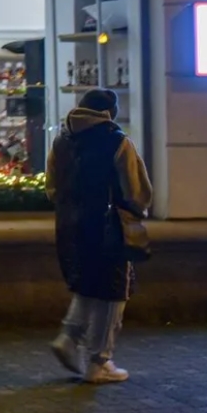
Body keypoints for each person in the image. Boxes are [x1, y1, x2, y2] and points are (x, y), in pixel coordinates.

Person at [45, 88, 152, 385]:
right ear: (110, 112)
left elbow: (52, 187)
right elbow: (138, 190)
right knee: (115, 289)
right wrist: (136, 213)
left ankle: (69, 337)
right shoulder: (118, 142)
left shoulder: (62, 141)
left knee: (88, 283)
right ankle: (99, 361)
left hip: (70, 225)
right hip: (110, 225)